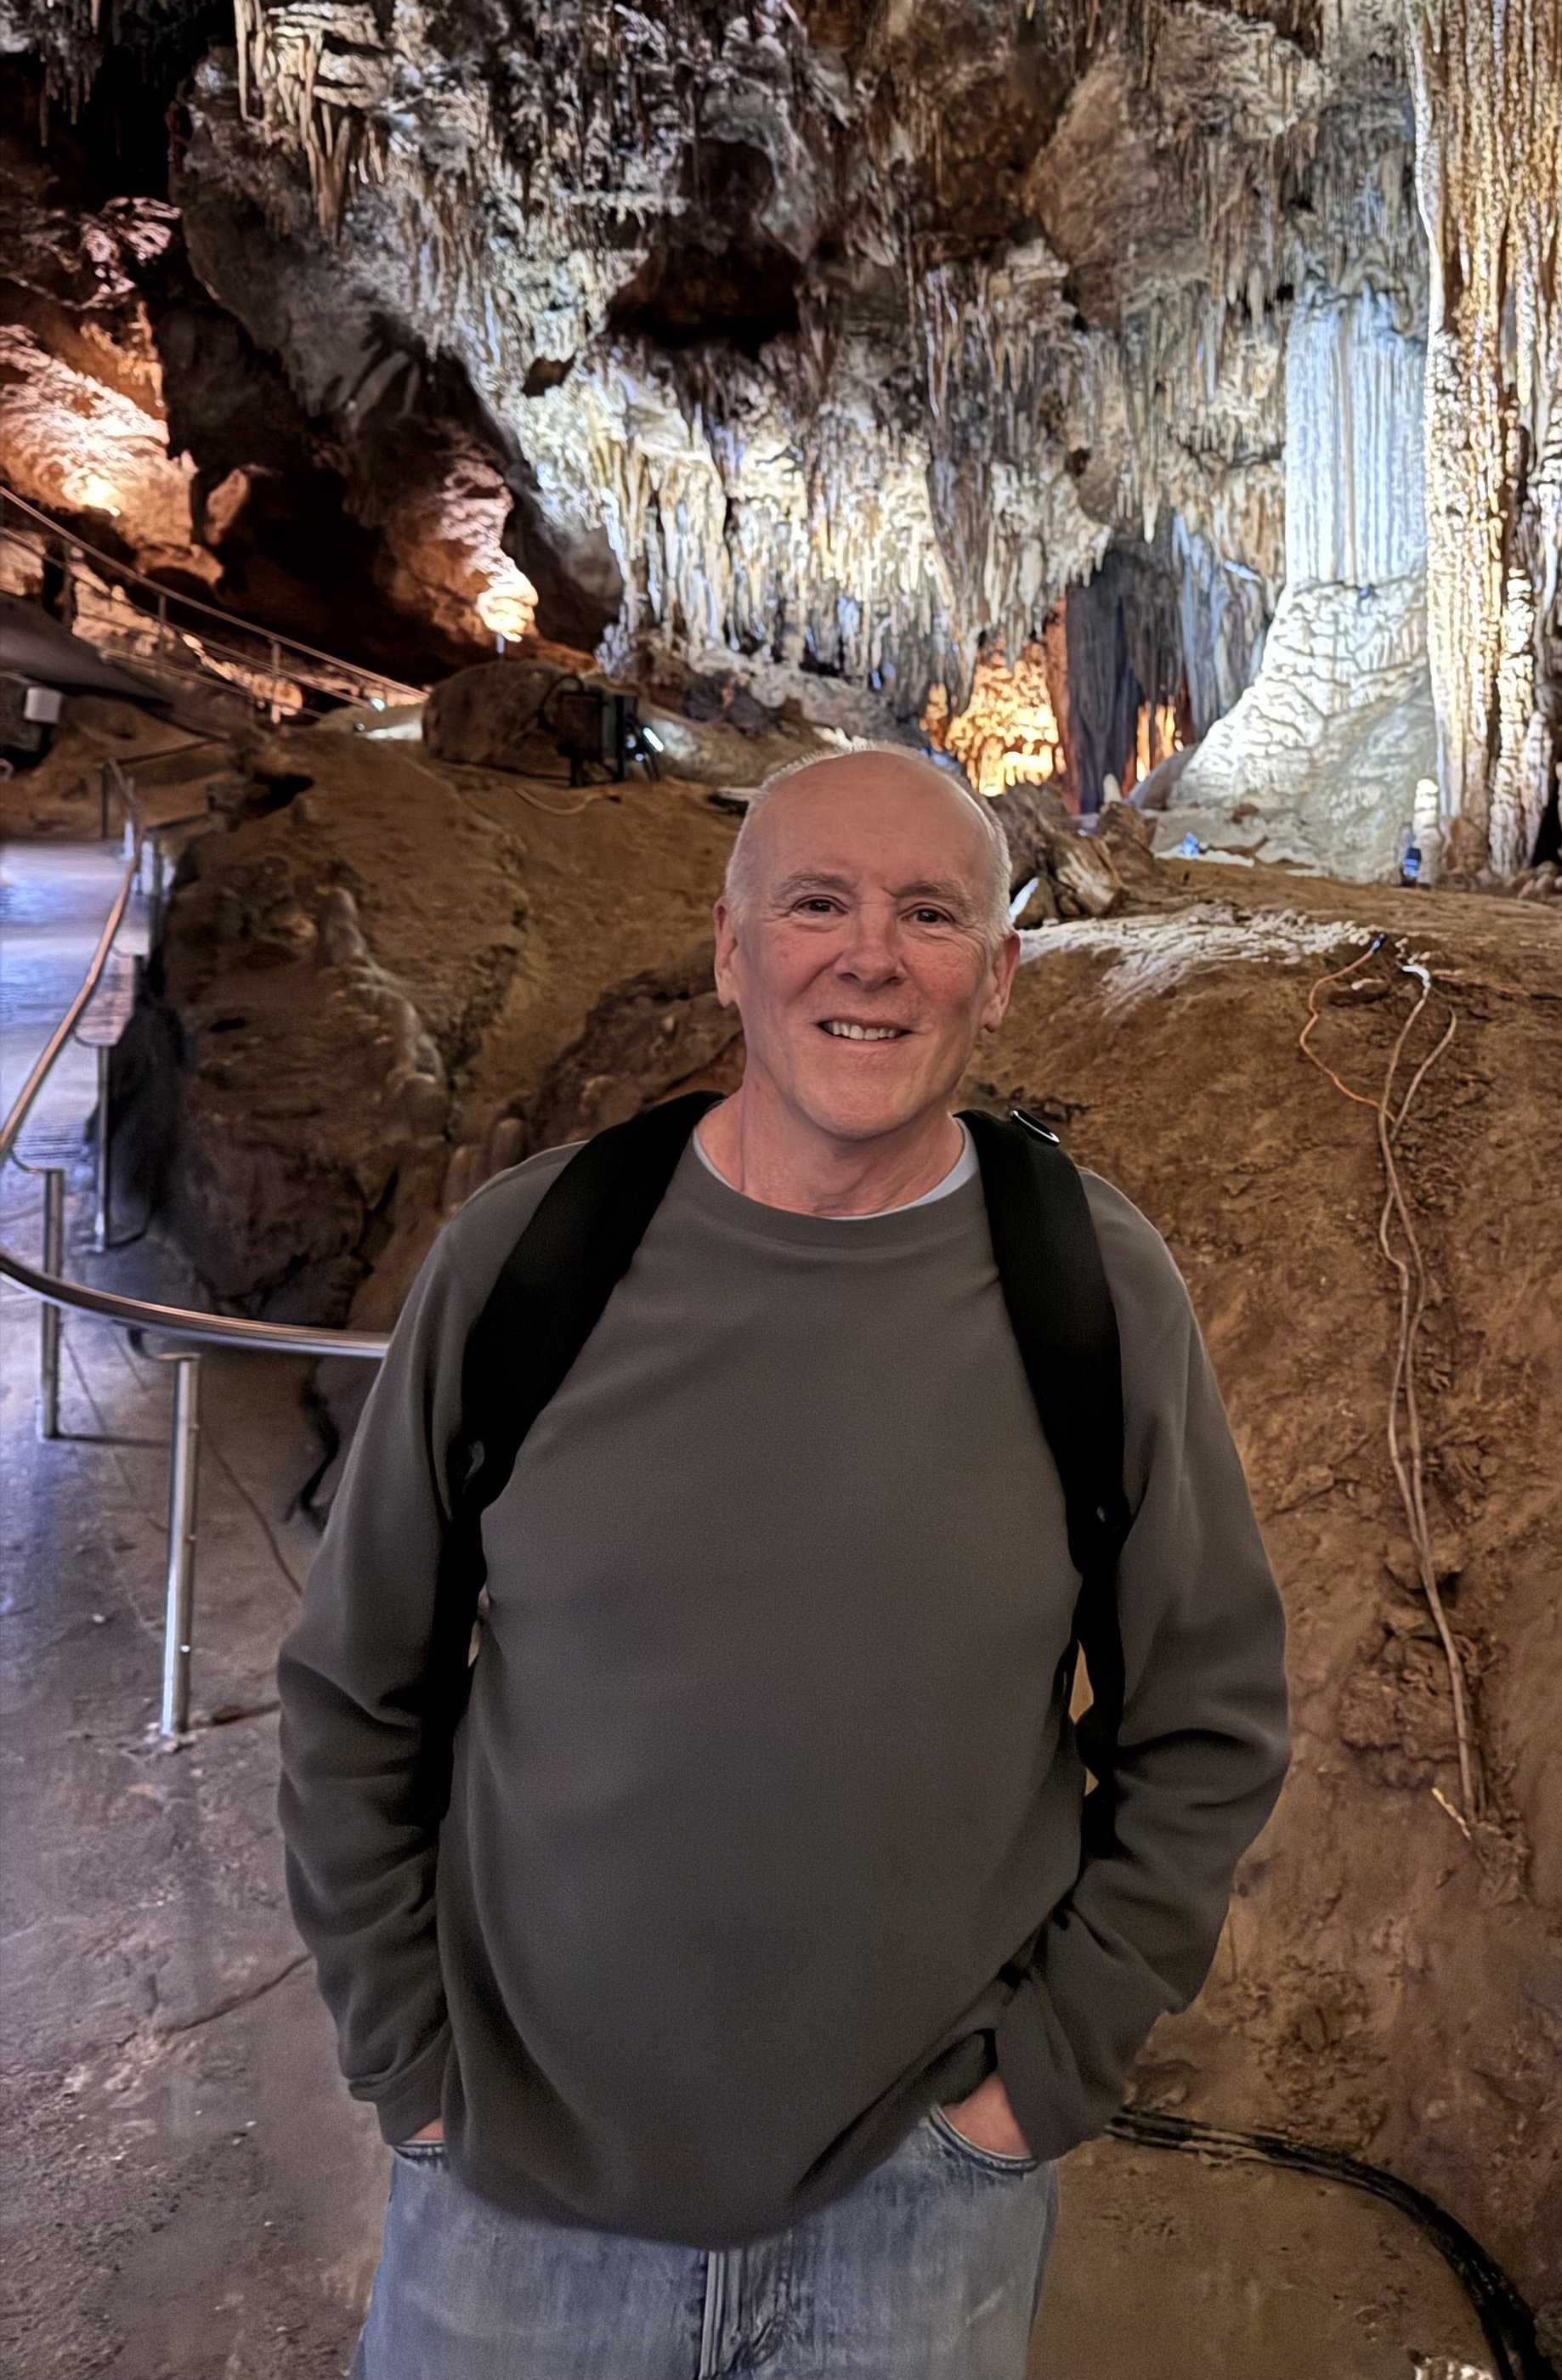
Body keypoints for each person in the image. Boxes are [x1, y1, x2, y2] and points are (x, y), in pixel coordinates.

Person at [279, 743, 1289, 2380]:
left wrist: (1035, 2084)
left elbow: (1211, 1718)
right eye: (816, 902)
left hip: (917, 2212)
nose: (869, 955)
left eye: (931, 914)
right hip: (515, 2199)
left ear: (1001, 974)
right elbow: (352, 1691)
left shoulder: (1089, 1288)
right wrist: (410, 2055)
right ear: (733, 948)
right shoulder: (530, 1262)